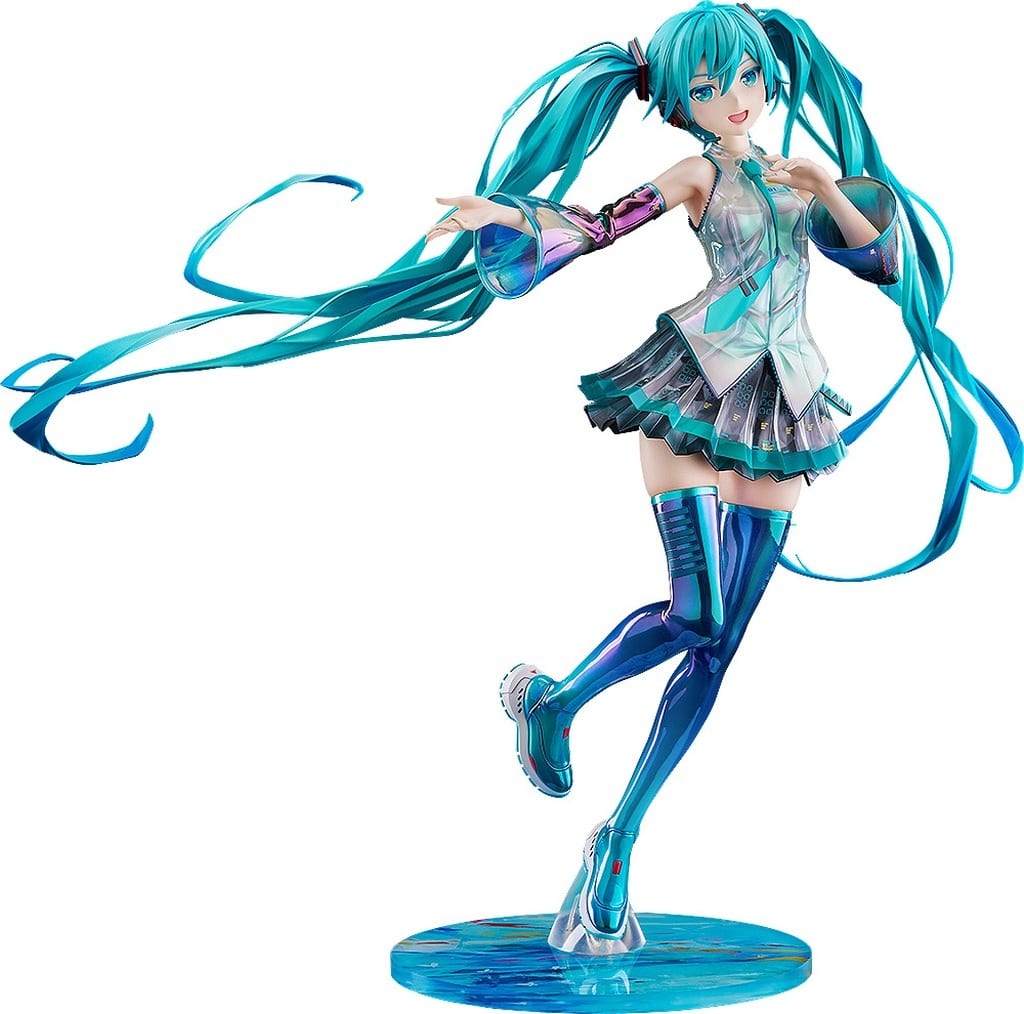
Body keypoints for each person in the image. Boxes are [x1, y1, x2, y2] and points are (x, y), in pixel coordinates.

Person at [2, 0, 1019, 952]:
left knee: (718, 652)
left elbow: (882, 265)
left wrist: (826, 188)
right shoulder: (693, 174)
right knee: (697, 615)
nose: (734, 100)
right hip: (691, 387)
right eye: (710, 88)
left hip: (785, 401)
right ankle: (557, 701)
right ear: (680, 100)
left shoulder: (798, 175)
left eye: (745, 79)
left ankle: (617, 840)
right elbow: (601, 226)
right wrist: (511, 221)